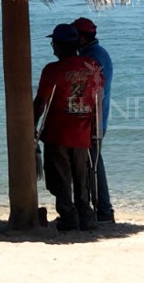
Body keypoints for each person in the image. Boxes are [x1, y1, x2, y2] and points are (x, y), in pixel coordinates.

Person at [34, 23, 104, 232]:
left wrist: (31, 125)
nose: (53, 48)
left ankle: (69, 217)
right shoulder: (92, 66)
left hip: (58, 133)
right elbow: (98, 98)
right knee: (82, 178)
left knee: (60, 179)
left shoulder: (52, 70)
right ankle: (86, 217)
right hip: (82, 132)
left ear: (58, 45)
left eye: (54, 44)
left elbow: (41, 102)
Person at [75, 17, 115, 223]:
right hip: (98, 118)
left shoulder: (91, 58)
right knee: (92, 162)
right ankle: (100, 209)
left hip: (92, 120)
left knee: (93, 164)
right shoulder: (99, 53)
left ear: (81, 39)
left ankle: (103, 210)